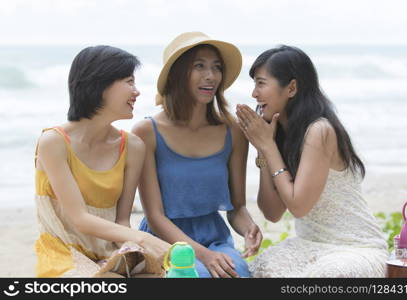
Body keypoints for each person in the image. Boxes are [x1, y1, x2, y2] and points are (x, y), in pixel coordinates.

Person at [236, 45, 388, 277]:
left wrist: (268, 146)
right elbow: (272, 213)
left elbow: (298, 206)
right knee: (262, 270)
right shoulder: (277, 134)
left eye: (261, 83)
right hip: (308, 245)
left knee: (325, 276)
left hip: (355, 248)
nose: (254, 94)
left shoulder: (320, 130)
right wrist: (263, 149)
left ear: (292, 87)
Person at [132, 32, 262, 278]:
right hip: (165, 242)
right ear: (177, 74)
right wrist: (203, 256)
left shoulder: (233, 130)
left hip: (216, 240)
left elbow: (238, 207)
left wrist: (248, 229)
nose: (211, 76)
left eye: (217, 67)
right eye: (199, 66)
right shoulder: (146, 132)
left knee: (239, 272)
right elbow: (155, 216)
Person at [34, 45, 170, 278]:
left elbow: (122, 221)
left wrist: (137, 250)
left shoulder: (133, 147)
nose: (136, 91)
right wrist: (145, 238)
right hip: (63, 255)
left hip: (110, 252)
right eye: (129, 82)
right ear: (99, 84)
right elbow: (80, 220)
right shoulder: (54, 142)